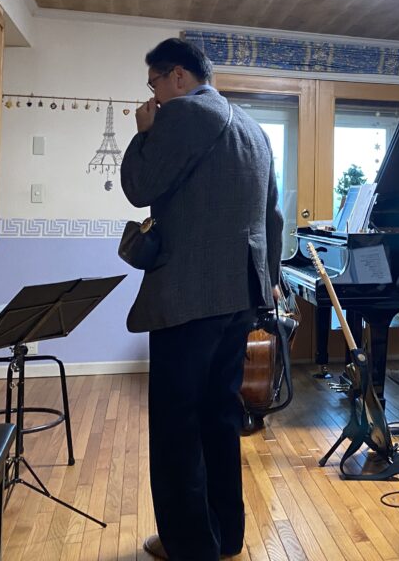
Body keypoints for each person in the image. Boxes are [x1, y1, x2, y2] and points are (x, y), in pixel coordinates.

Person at [121, 38, 284, 561]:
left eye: (154, 83)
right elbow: (273, 217)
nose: (153, 96)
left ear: (178, 76)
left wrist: (143, 133)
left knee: (177, 425)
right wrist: (270, 280)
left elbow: (139, 187)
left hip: (186, 298)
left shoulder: (182, 114)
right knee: (220, 416)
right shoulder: (254, 129)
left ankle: (190, 545)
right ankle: (226, 534)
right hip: (240, 295)